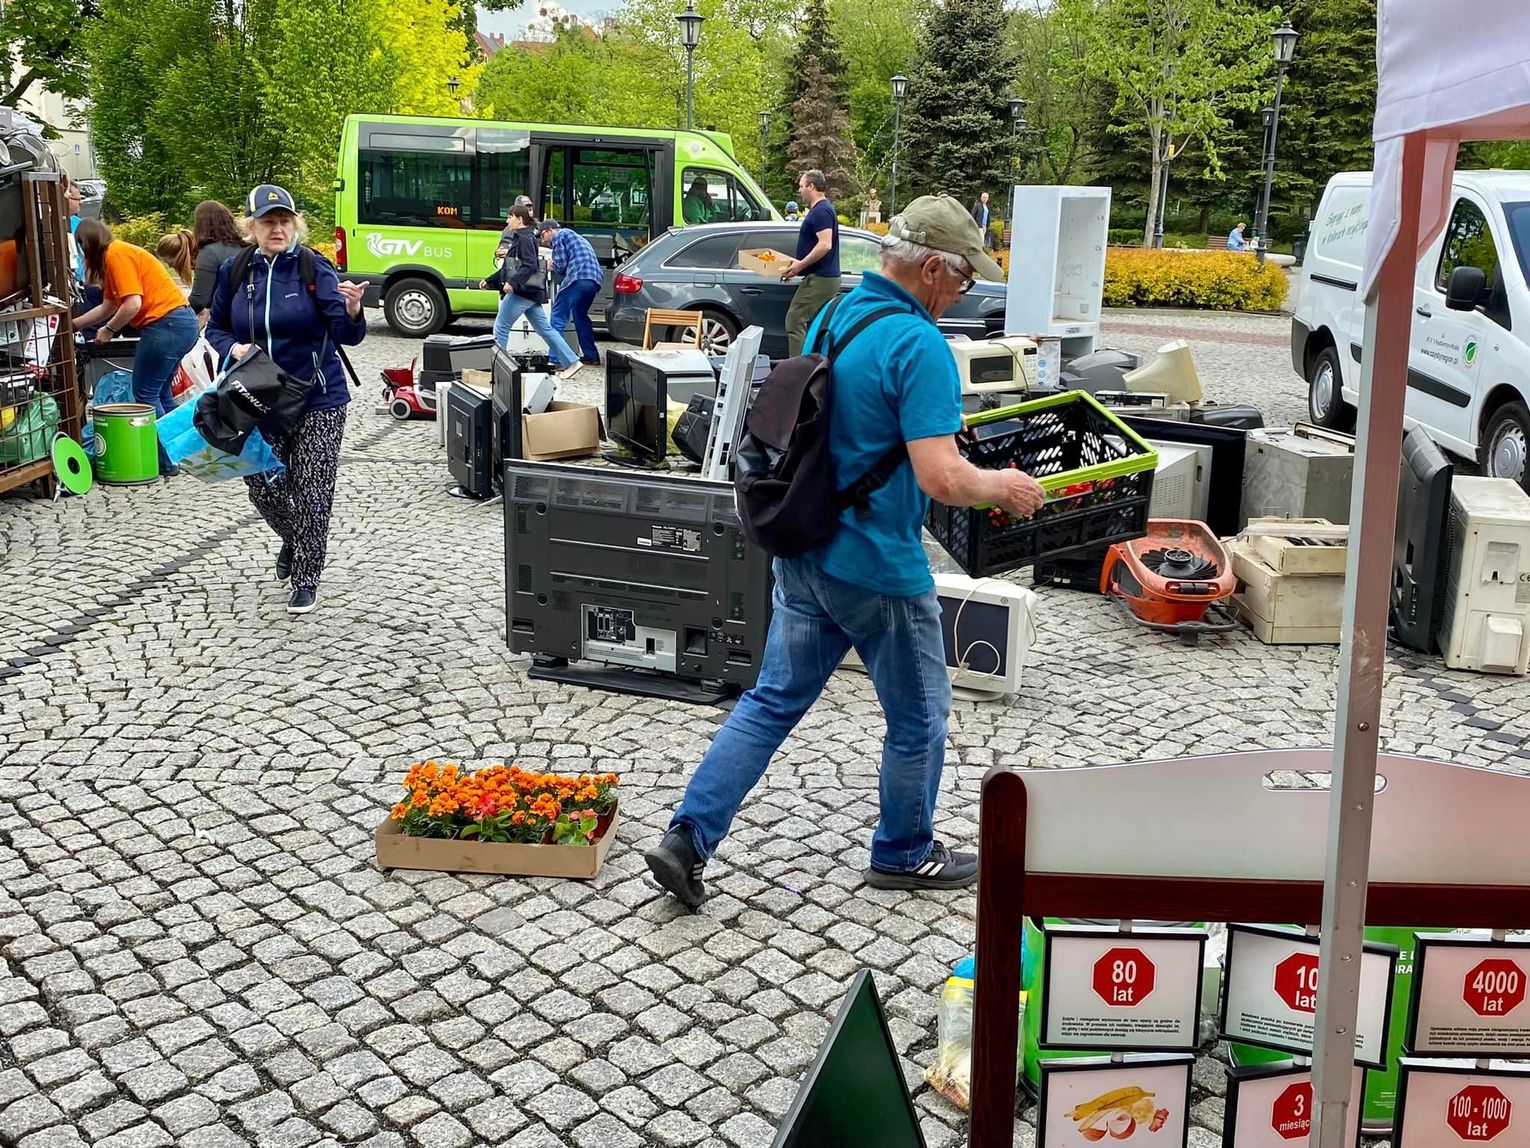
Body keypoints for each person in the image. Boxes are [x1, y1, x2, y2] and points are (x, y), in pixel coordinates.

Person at [644, 194, 1046, 908]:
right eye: (962, 277)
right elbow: (942, 478)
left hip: (807, 546)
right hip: (876, 566)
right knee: (919, 718)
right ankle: (904, 851)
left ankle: (687, 838)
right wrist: (1004, 487)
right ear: (930, 268)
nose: (963, 292)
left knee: (771, 702)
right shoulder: (919, 345)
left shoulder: (837, 313)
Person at [204, 185, 369, 615]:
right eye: (267, 222)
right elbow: (216, 327)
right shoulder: (236, 270)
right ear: (251, 227)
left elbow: (346, 333)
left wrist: (353, 310)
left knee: (312, 489)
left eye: (284, 221)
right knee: (261, 485)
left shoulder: (314, 267)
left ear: (295, 224)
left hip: (318, 396)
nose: (277, 229)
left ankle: (306, 576)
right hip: (257, 396)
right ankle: (295, 540)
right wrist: (233, 348)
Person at [74, 219, 200, 477]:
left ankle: (166, 461)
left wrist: (109, 330)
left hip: (166, 325)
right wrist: (73, 324)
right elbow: (109, 305)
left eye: (81, 248)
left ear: (87, 244)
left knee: (145, 394)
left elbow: (132, 304)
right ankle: (181, 454)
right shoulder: (117, 254)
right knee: (161, 394)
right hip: (180, 323)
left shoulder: (116, 254)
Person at [480, 205, 581, 378]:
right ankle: (572, 361)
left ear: (519, 219)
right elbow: (510, 267)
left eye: (510, 217)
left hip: (521, 292)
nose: (507, 221)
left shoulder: (524, 238)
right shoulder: (524, 237)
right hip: (531, 293)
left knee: (501, 327)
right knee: (545, 330)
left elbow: (530, 265)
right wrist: (489, 281)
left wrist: (512, 282)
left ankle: (498, 369)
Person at [781, 169, 841, 357]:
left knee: (795, 320)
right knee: (815, 325)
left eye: (801, 186)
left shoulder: (821, 211)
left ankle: (797, 368)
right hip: (821, 276)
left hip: (821, 279)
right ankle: (812, 364)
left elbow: (825, 244)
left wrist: (799, 266)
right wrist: (795, 267)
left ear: (811, 186)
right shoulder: (823, 209)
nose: (799, 190)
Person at [538, 219, 604, 366]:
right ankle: (591, 356)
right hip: (594, 280)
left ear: (549, 230)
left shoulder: (559, 236)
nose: (543, 240)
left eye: (542, 235)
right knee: (580, 315)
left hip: (578, 277)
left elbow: (561, 266)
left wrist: (548, 265)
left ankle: (555, 359)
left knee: (557, 316)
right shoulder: (577, 237)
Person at [188, 200, 249, 321]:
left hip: (229, 318)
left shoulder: (209, 253)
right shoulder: (247, 247)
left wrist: (176, 312)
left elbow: (199, 300)